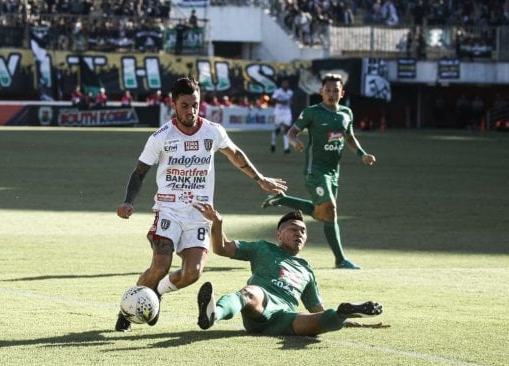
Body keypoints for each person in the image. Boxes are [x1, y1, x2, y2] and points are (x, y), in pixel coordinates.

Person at [114, 77, 288, 332]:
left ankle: (156, 295)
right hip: (168, 210)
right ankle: (127, 312)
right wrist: (128, 202)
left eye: (195, 104)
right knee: (160, 266)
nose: (191, 111)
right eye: (185, 105)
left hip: (199, 214)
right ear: (174, 105)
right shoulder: (160, 136)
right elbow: (139, 171)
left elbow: (235, 154)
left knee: (192, 273)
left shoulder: (213, 131)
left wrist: (260, 179)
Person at [193, 204, 387, 336]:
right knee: (250, 293)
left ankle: (347, 312)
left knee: (317, 322)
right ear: (279, 234)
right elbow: (221, 248)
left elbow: (317, 309)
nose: (299, 234)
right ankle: (213, 315)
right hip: (262, 306)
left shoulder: (306, 271)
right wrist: (217, 223)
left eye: (303, 231)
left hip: (286, 318)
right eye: (293, 229)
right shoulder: (263, 248)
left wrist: (352, 321)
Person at [261, 73, 376, 270]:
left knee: (323, 213)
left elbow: (349, 137)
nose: (331, 94)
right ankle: (340, 260)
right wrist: (295, 141)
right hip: (315, 170)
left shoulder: (346, 113)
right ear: (321, 91)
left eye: (335, 91)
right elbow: (291, 131)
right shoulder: (312, 112)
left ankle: (282, 199)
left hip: (334, 172)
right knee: (330, 210)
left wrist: (362, 154)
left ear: (342, 93)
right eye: (328, 90)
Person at [270, 79, 294, 154]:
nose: (285, 85)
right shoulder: (278, 92)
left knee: (286, 129)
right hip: (278, 112)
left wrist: (291, 102)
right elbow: (273, 100)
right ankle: (273, 143)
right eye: (284, 84)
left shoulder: (290, 92)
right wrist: (282, 102)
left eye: (287, 84)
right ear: (282, 84)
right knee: (277, 130)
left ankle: (286, 148)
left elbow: (291, 100)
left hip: (287, 112)